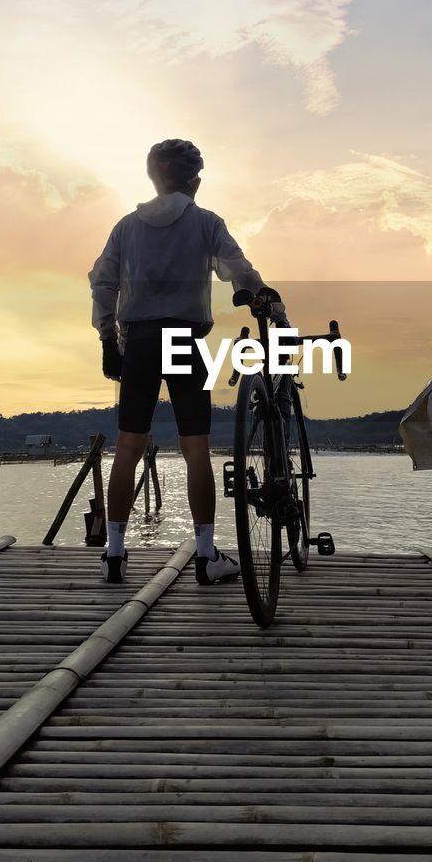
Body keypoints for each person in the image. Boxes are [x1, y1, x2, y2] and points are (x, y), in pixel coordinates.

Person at [89, 138, 286, 585]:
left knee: (127, 448)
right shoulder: (205, 223)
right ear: (195, 180)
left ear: (152, 178)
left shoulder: (125, 227)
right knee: (195, 449)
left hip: (137, 339)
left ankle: (114, 557)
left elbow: (103, 282)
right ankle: (204, 556)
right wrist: (272, 307)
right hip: (181, 337)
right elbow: (238, 268)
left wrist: (106, 337)